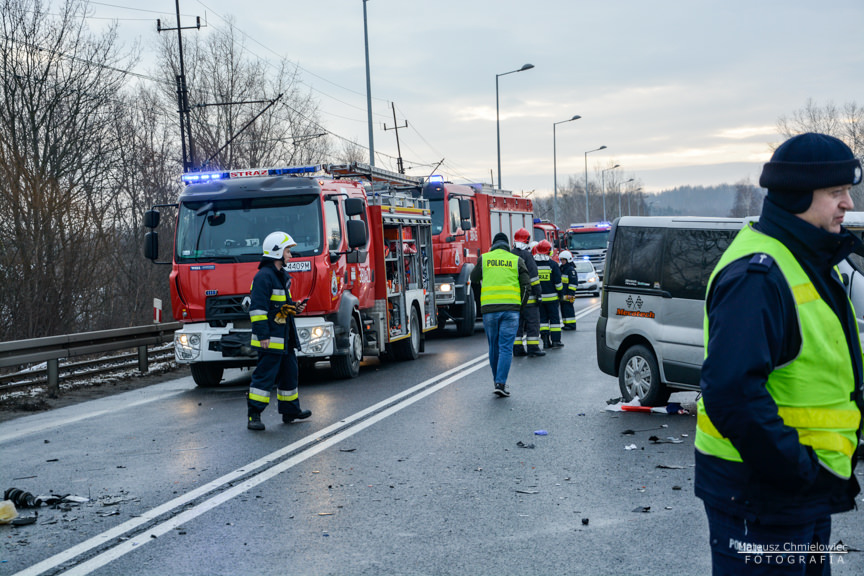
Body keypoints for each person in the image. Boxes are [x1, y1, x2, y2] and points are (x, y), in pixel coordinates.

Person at [695, 132, 863, 575]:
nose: (848, 202)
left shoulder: (806, 258)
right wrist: (801, 471)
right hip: (765, 498)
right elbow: (731, 394)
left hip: (797, 495)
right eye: (836, 192)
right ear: (797, 196)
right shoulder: (760, 276)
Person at [246, 231, 312, 431]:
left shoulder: (281, 276)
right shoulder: (263, 277)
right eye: (287, 251)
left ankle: (290, 411)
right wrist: (263, 335)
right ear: (276, 252)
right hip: (271, 338)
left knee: (289, 373)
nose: (290, 255)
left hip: (284, 338)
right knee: (264, 377)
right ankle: (254, 416)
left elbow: (282, 305)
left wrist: (294, 307)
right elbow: (257, 310)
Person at [469, 232, 530, 397]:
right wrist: (520, 306)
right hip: (511, 310)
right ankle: (500, 383)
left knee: (493, 346)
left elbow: (473, 278)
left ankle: (496, 380)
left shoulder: (485, 258)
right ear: (507, 245)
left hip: (490, 310)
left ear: (493, 244)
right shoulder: (516, 260)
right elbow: (526, 285)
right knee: (505, 348)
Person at [511, 228, 545, 357]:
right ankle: (533, 348)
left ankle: (517, 349)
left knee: (517, 325)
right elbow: (534, 278)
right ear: (527, 239)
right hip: (530, 299)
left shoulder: (510, 254)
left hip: (514, 298)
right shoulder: (527, 255)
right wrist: (538, 294)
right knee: (532, 324)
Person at [533, 240, 565, 349]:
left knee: (543, 321)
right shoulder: (553, 264)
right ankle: (556, 341)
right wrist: (561, 294)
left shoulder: (533, 264)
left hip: (539, 299)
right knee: (554, 321)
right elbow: (558, 283)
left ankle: (546, 341)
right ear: (548, 251)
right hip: (552, 299)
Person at [557, 250, 578, 330]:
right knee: (563, 308)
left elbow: (573, 283)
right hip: (563, 293)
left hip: (569, 294)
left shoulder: (571, 270)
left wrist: (571, 294)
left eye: (563, 260)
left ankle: (571, 325)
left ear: (568, 259)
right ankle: (566, 324)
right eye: (561, 260)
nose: (562, 261)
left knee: (568, 309)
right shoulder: (562, 269)